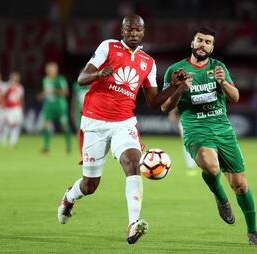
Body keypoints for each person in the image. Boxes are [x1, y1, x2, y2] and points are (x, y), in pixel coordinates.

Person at [57, 14, 186, 245]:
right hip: (94, 122)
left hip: (124, 122)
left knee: (132, 162)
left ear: (143, 33)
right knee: (90, 185)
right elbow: (81, 78)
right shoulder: (108, 47)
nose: (134, 34)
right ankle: (69, 198)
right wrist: (98, 73)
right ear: (122, 31)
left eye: (138, 30)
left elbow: (155, 101)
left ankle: (132, 224)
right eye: (130, 30)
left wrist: (175, 87)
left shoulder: (148, 62)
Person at [161, 27, 257, 245]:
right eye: (199, 40)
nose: (203, 45)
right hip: (195, 128)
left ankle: (253, 231)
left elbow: (235, 97)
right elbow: (164, 106)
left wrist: (223, 83)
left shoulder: (219, 67)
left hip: (222, 128)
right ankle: (221, 198)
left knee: (240, 185)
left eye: (208, 42)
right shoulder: (175, 70)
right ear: (192, 43)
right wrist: (178, 89)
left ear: (212, 47)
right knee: (211, 166)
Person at [40, 62, 72, 154]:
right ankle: (46, 148)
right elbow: (46, 92)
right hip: (49, 106)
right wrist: (42, 95)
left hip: (60, 105)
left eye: (52, 69)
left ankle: (68, 146)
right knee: (46, 125)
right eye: (48, 69)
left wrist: (53, 91)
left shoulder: (60, 79)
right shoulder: (45, 80)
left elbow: (65, 92)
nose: (50, 71)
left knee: (64, 125)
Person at [168, 109, 197, 176]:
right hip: (185, 119)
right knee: (187, 143)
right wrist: (172, 114)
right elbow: (174, 104)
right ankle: (191, 166)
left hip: (199, 118)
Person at [1, 72, 24, 147]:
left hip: (17, 108)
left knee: (17, 124)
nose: (15, 79)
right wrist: (3, 106)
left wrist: (21, 108)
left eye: (16, 77)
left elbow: (21, 99)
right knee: (11, 124)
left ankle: (13, 141)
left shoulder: (20, 87)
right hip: (9, 108)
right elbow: (2, 96)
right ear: (10, 78)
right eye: (14, 77)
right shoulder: (6, 86)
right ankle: (6, 138)